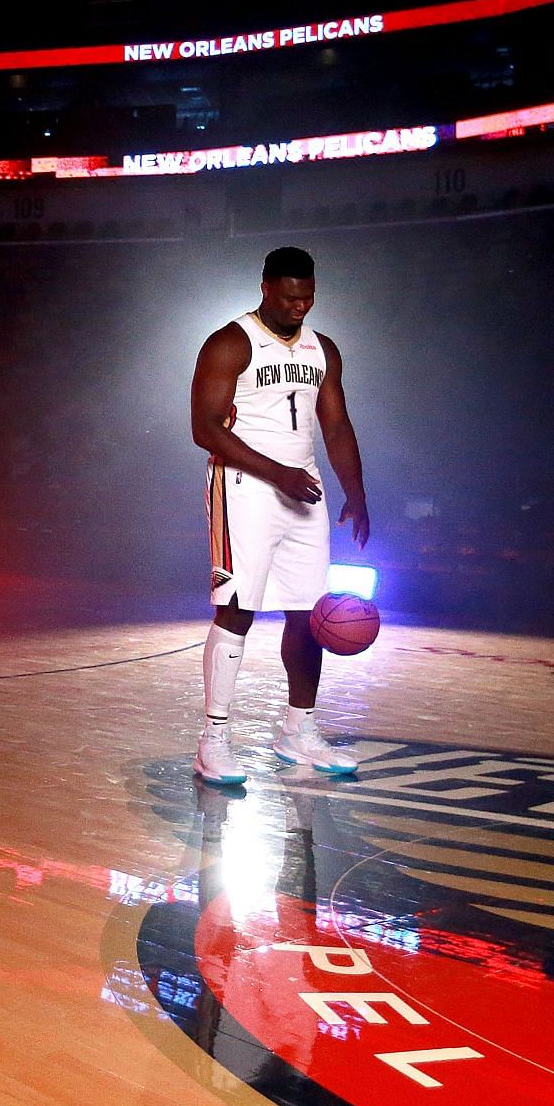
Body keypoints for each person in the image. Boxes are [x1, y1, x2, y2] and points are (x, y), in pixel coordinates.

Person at [188, 247, 370, 785]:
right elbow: (204, 428)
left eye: (308, 296)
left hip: (302, 487)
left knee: (309, 614)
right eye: (290, 296)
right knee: (237, 609)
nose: (300, 305)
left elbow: (335, 425)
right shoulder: (230, 341)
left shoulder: (322, 348)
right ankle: (213, 740)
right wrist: (278, 473)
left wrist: (356, 492)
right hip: (242, 486)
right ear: (266, 288)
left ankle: (299, 729)